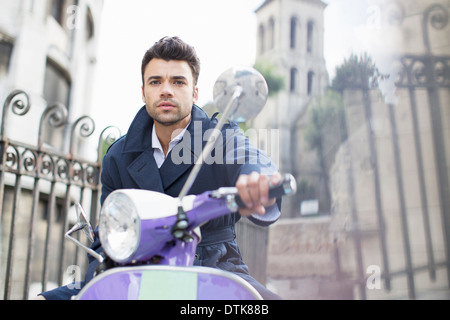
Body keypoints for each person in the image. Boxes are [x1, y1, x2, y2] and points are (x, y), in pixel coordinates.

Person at [38, 36, 282, 300]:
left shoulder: (219, 137)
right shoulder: (119, 156)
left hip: (214, 272)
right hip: (134, 275)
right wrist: (101, 284)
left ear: (195, 92)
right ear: (143, 92)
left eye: (178, 82)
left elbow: (250, 158)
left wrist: (255, 181)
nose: (166, 90)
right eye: (156, 82)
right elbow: (108, 233)